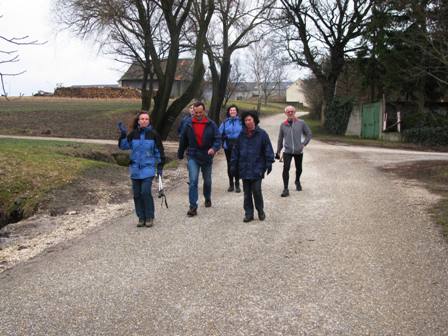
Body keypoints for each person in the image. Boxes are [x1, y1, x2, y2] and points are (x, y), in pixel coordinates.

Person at [117, 110, 165, 227]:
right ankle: (141, 217)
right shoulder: (133, 134)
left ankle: (149, 217)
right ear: (138, 121)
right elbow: (123, 146)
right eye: (142, 119)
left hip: (148, 169)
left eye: (146, 119)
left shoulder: (154, 135)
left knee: (145, 192)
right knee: (137, 194)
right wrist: (123, 134)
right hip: (135, 169)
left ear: (149, 121)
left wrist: (159, 168)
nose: (144, 121)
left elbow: (159, 152)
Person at [177, 101, 221, 217]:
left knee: (207, 181)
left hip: (207, 155)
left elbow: (218, 139)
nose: (198, 114)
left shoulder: (211, 124)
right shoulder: (188, 124)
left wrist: (214, 148)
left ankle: (207, 197)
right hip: (193, 155)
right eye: (196, 112)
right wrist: (180, 153)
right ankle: (193, 206)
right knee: (193, 181)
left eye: (200, 112)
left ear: (204, 111)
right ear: (193, 112)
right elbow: (183, 140)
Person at [231, 111, 274, 223]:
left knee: (256, 190)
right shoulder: (241, 135)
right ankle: (248, 213)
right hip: (244, 168)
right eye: (245, 120)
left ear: (254, 120)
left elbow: (268, 149)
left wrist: (269, 162)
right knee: (247, 193)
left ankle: (260, 210)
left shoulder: (262, 134)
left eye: (249, 119)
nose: (248, 122)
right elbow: (236, 151)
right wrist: (233, 165)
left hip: (257, 167)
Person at [276, 105, 312, 197]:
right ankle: (285, 189)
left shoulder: (301, 123)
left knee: (299, 168)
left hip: (298, 150)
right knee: (286, 168)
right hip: (287, 151)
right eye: (288, 112)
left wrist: (303, 144)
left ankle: (297, 181)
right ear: (286, 113)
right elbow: (280, 138)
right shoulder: (283, 125)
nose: (290, 113)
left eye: (292, 111)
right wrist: (278, 151)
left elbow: (309, 134)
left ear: (295, 112)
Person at [219, 105, 243, 193]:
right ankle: (231, 184)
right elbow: (219, 133)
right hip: (228, 145)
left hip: (238, 146)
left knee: (237, 164)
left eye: (234, 110)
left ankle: (237, 184)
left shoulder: (241, 121)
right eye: (231, 110)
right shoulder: (225, 122)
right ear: (229, 112)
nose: (232, 111)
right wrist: (222, 138)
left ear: (236, 112)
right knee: (230, 165)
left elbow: (245, 132)